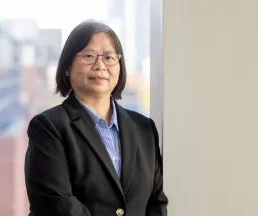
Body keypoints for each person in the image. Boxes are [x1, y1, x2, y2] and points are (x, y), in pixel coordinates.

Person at [24, 19, 168, 216]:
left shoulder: (144, 129)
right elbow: (57, 206)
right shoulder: (49, 127)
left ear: (120, 66)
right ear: (67, 66)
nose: (100, 65)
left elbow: (156, 203)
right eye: (89, 56)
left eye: (109, 58)